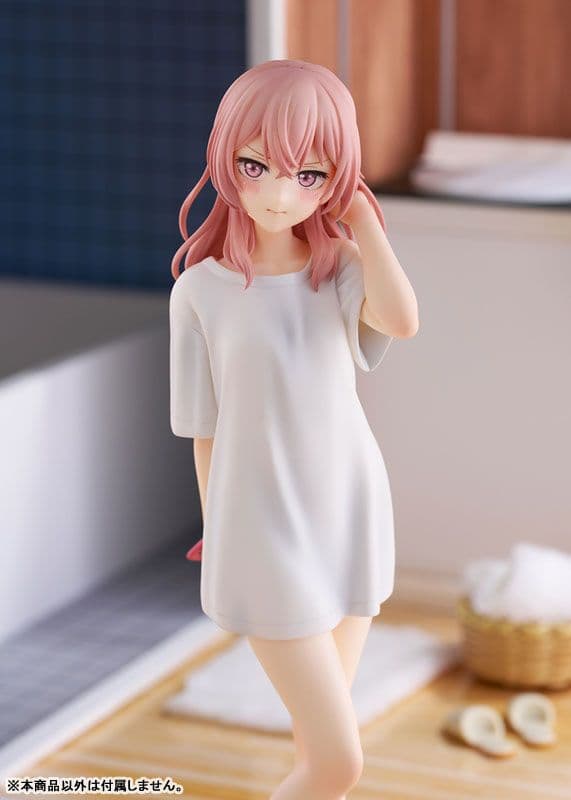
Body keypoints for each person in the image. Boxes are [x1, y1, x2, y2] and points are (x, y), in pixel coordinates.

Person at [169, 59, 419, 799]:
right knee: (339, 762)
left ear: (337, 180)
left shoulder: (338, 269)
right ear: (226, 157)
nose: (280, 195)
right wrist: (219, 531)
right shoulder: (200, 292)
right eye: (256, 167)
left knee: (318, 750)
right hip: (262, 531)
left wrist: (364, 224)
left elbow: (402, 320)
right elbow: (203, 429)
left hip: (349, 509)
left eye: (310, 176)